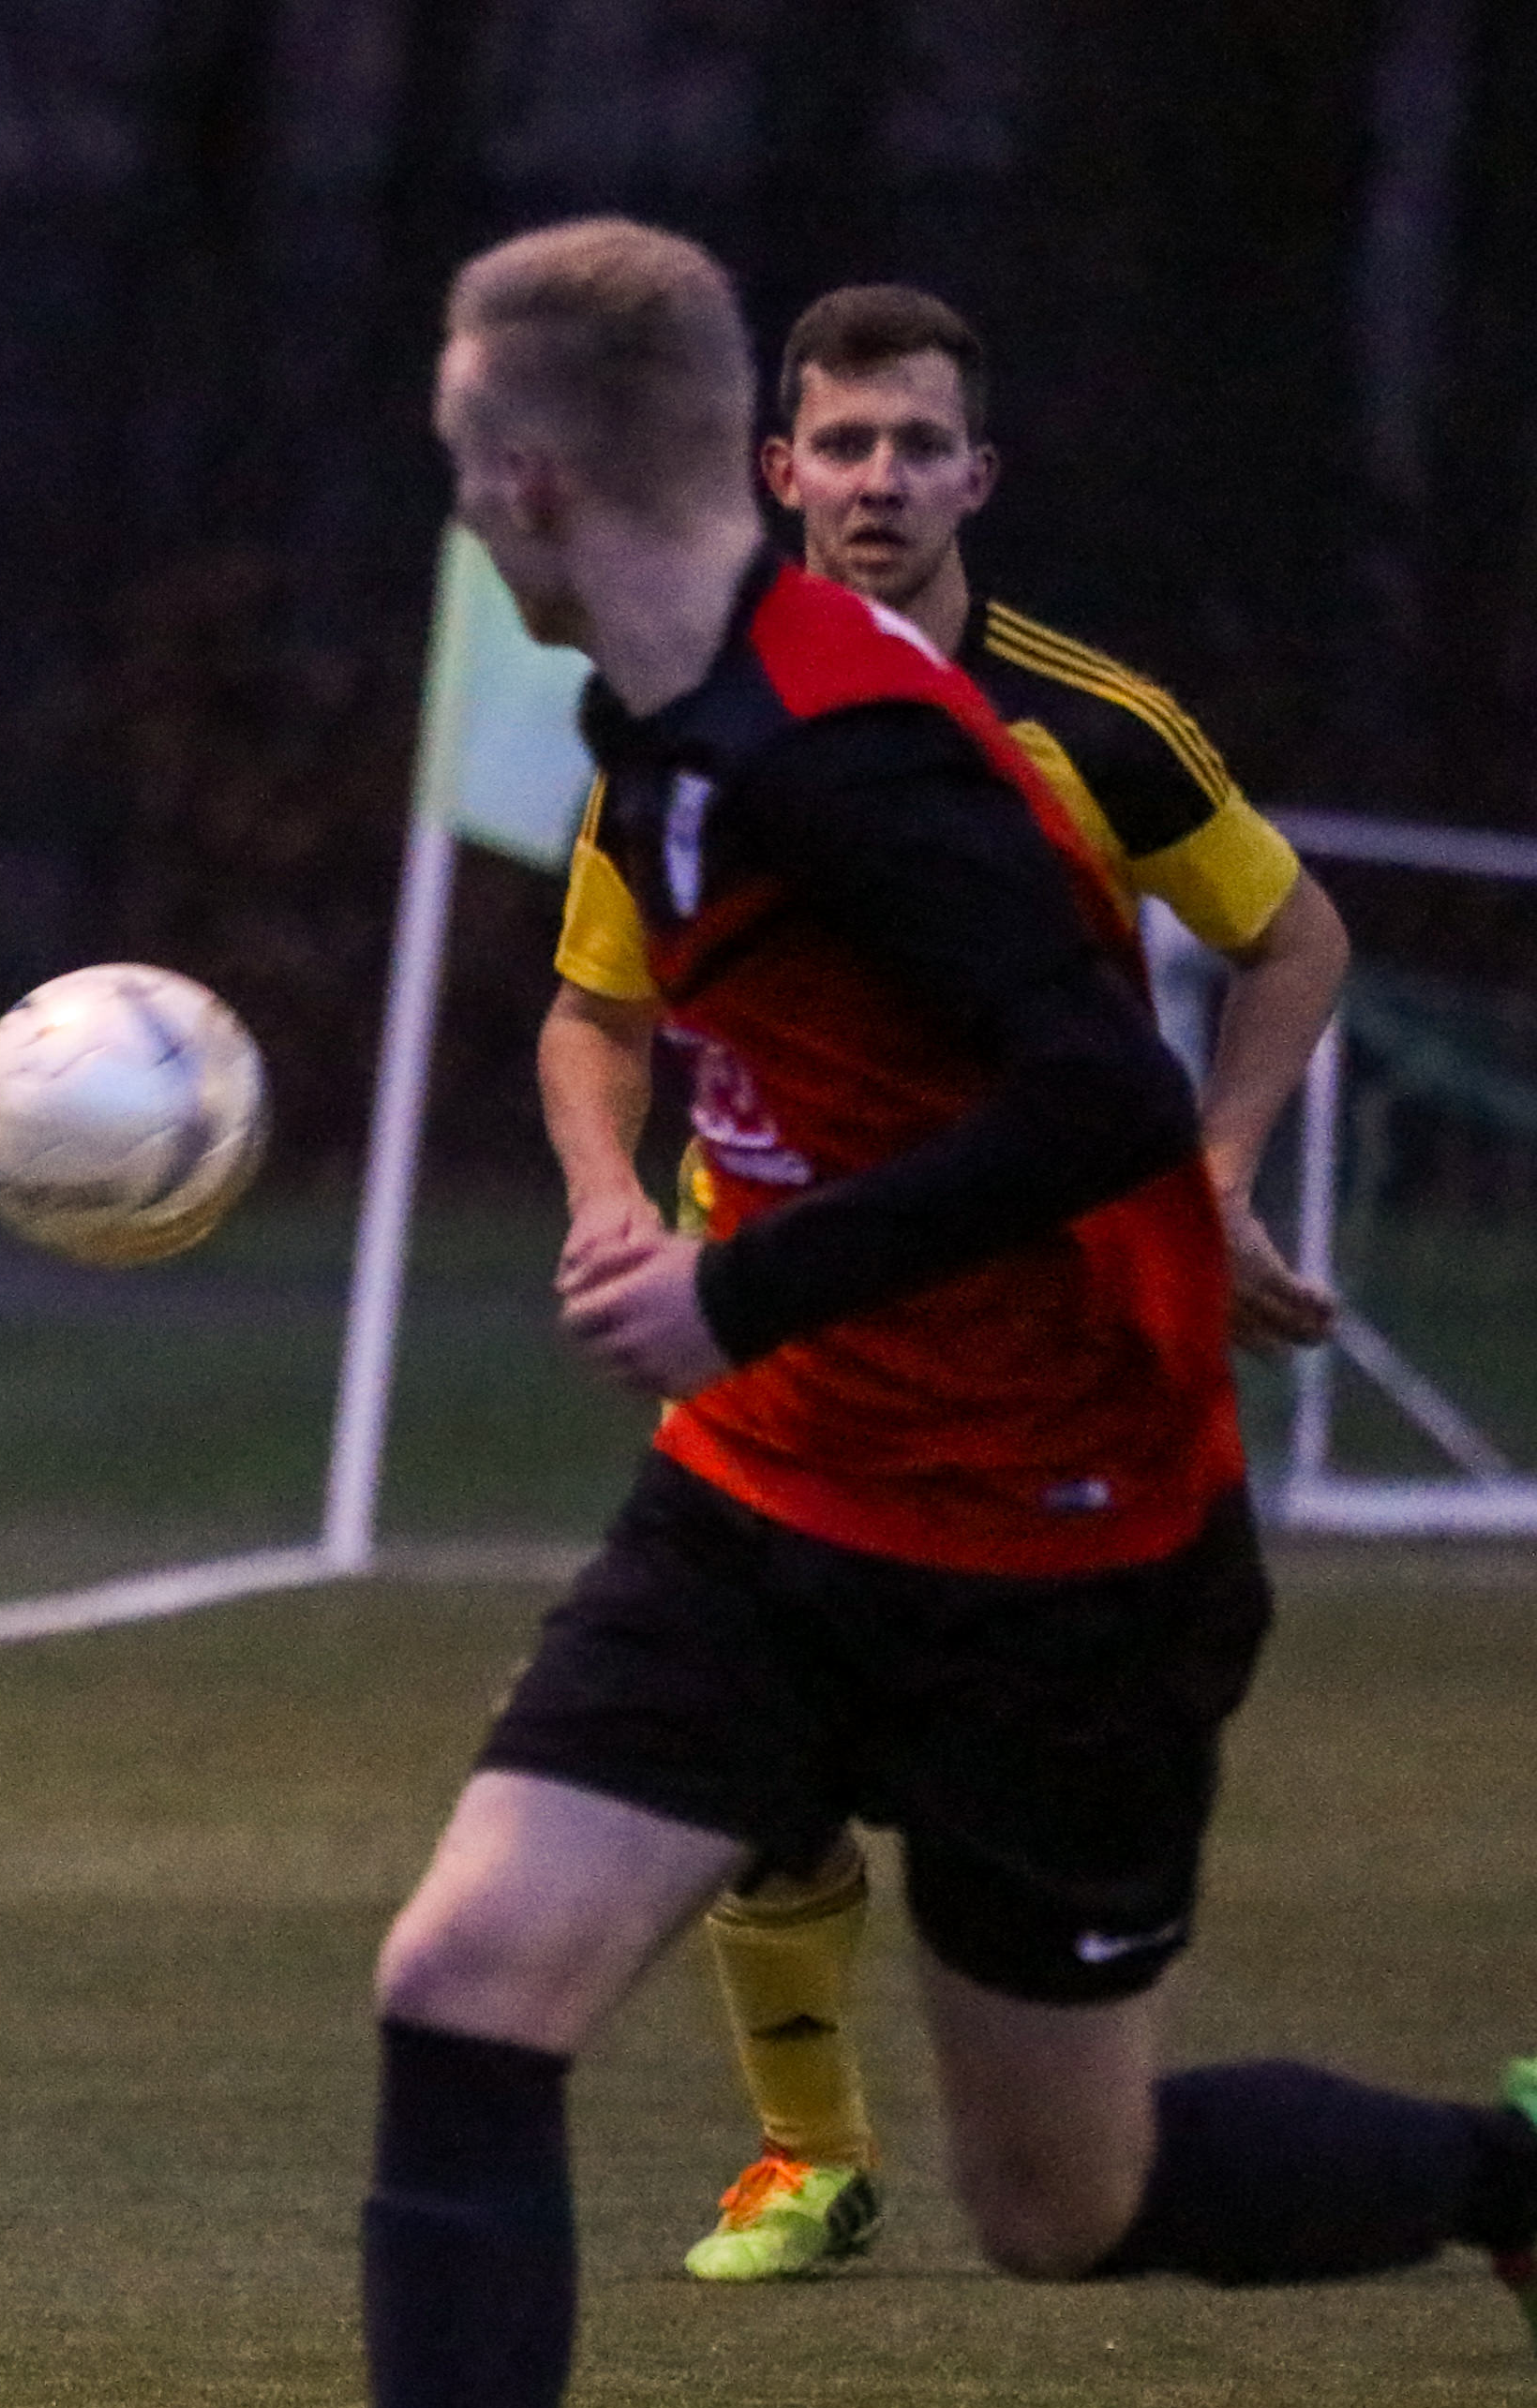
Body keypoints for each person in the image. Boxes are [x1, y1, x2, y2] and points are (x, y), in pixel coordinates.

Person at [161, 217, 1537, 2408]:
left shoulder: (847, 751)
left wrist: (740, 1281)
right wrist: (725, 1291)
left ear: (526, 478)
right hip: (775, 1499)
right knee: (462, 1979)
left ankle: (1510, 2181)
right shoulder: (665, 720)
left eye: (457, 456)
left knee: (1062, 2206)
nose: (453, 498)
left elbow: (1097, 1102)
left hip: (1060, 1550)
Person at [541, 282, 1357, 2285]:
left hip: (1043, 1381)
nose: (878, 480)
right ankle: (806, 2159)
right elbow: (593, 1012)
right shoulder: (689, 726)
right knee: (728, 1778)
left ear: (977, 473)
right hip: (775, 1344)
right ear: (778, 470)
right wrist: (608, 1193)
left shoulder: (1093, 726)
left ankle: (1427, 2167)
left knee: (1059, 2138)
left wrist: (1215, 1173)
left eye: (917, 445)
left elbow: (1295, 937)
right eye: (844, 443)